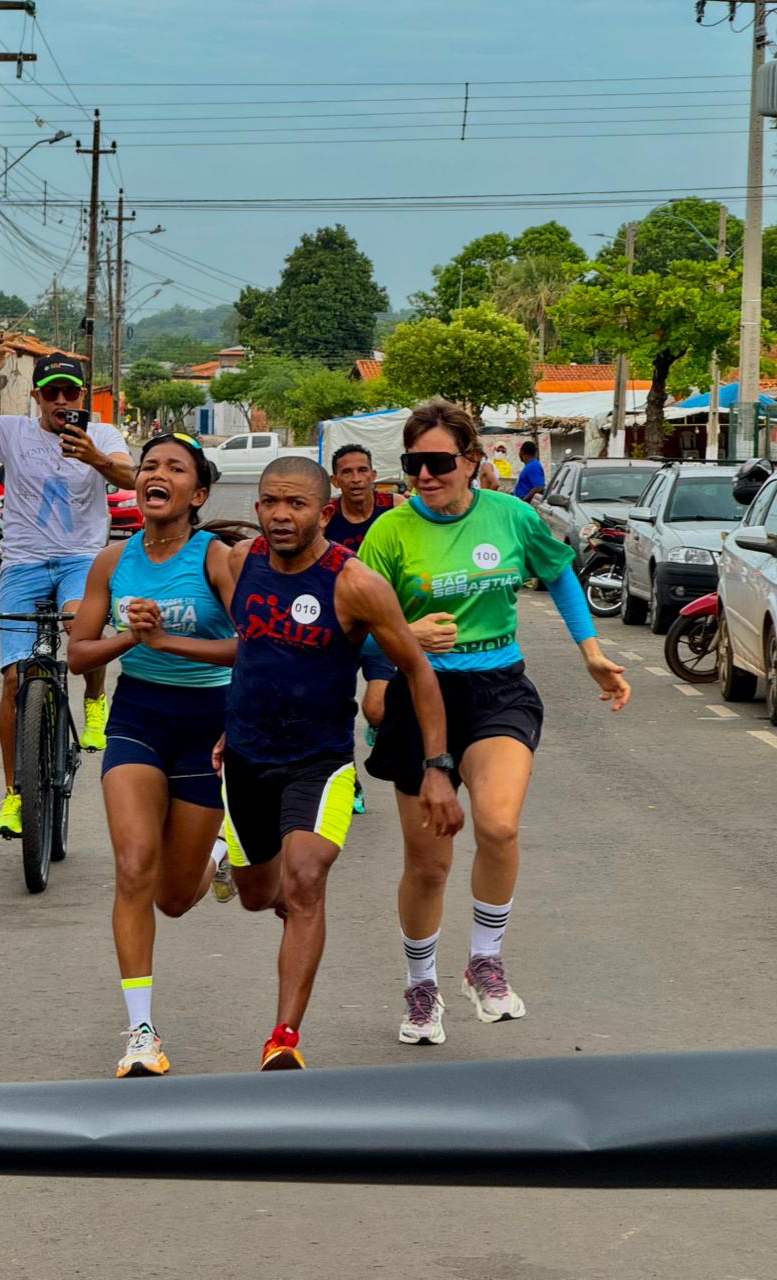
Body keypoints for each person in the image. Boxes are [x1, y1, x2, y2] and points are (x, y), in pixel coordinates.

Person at [132, 455, 462, 1071]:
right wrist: (162, 641)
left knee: (307, 880)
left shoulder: (355, 583)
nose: (281, 515)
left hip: (320, 760)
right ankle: (235, 867)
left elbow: (416, 667)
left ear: (323, 510)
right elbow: (252, 648)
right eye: (270, 503)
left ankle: (283, 1035)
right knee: (262, 897)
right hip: (248, 759)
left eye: (297, 504)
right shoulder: (241, 562)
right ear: (256, 506)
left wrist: (438, 767)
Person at [358, 398, 630, 1047]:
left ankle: (484, 959)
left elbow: (560, 573)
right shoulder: (389, 533)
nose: (425, 475)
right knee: (429, 865)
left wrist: (591, 653)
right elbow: (357, 629)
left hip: (499, 689)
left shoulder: (510, 516)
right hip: (420, 697)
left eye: (439, 461)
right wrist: (404, 635)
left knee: (500, 824)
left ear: (473, 461)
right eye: (414, 462)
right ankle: (421, 987)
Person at [67, 432, 242, 1078]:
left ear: (197, 493)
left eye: (174, 468)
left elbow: (252, 647)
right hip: (137, 718)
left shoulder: (216, 559)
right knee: (134, 865)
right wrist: (126, 638)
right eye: (148, 466)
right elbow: (77, 654)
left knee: (172, 897)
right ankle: (140, 1032)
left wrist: (167, 641)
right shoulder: (113, 563)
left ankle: (219, 854)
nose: (155, 474)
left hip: (207, 723)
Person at [0, 346, 135, 837]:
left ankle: (93, 702)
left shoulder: (102, 433)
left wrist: (97, 458)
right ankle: (15, 797)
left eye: (70, 392)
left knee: (76, 628)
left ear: (82, 395)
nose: (61, 401)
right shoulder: (11, 432)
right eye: (51, 393)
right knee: (12, 680)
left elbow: (133, 475)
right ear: (37, 397)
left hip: (80, 559)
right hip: (23, 564)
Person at [326, 444, 406, 811]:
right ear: (335, 479)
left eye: (363, 471)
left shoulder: (397, 509)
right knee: (333, 710)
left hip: (382, 627)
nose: (356, 479)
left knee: (376, 709)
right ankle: (349, 783)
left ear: (374, 475)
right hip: (338, 630)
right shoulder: (327, 518)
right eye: (347, 472)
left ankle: (378, 723)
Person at [514, 439, 546, 504]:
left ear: (521, 452)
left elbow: (539, 487)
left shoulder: (533, 466)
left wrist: (524, 500)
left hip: (526, 503)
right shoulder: (529, 465)